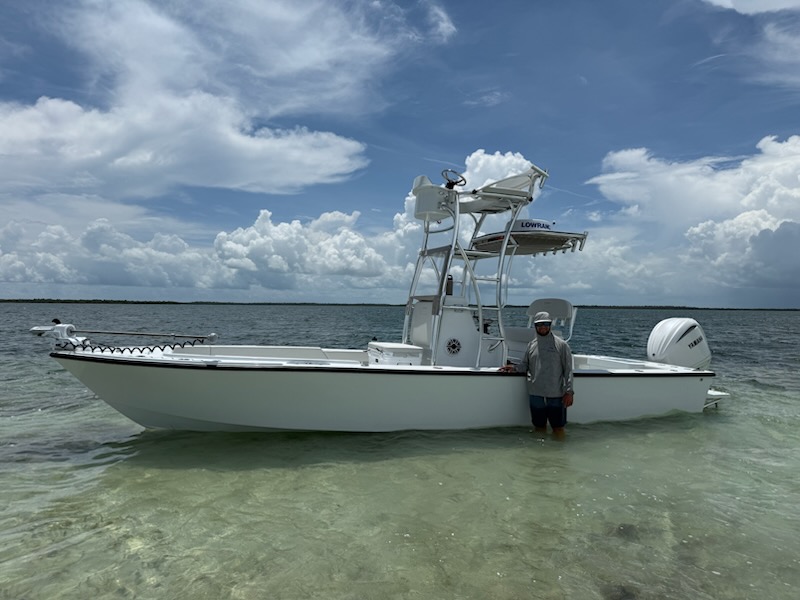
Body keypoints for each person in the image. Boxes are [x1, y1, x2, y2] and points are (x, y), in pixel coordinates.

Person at [500, 311, 574, 436]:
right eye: (539, 324)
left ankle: (560, 453)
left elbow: (568, 370)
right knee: (539, 427)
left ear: (550, 325)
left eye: (546, 324)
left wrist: (569, 392)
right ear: (535, 326)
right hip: (536, 394)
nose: (543, 327)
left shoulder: (561, 345)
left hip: (555, 395)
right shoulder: (531, 345)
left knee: (558, 428)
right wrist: (513, 368)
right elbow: (525, 365)